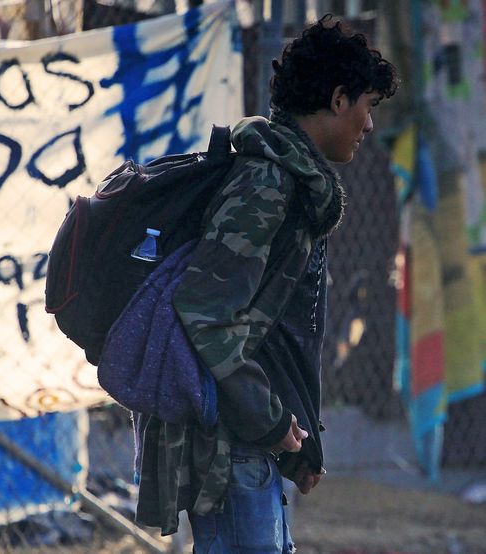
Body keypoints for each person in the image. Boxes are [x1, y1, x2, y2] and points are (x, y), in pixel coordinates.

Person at [132, 15, 398, 553]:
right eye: (368, 106)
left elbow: (269, 330)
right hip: (229, 447)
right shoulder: (268, 184)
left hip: (251, 443)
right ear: (339, 99)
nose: (369, 125)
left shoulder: (288, 182)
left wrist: (293, 439)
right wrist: (272, 423)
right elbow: (205, 311)